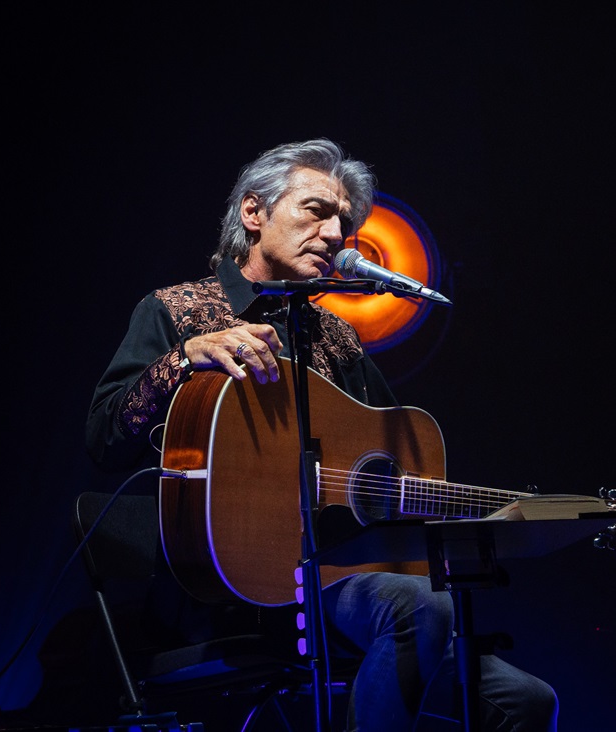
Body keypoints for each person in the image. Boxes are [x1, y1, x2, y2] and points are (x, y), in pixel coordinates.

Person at [85, 138, 558, 731]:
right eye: (317, 210)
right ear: (254, 214)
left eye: (344, 221)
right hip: (232, 591)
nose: (336, 234)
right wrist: (181, 361)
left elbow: (401, 458)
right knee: (421, 608)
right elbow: (104, 440)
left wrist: (507, 513)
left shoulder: (337, 337)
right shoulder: (175, 311)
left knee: (528, 702)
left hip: (340, 583)